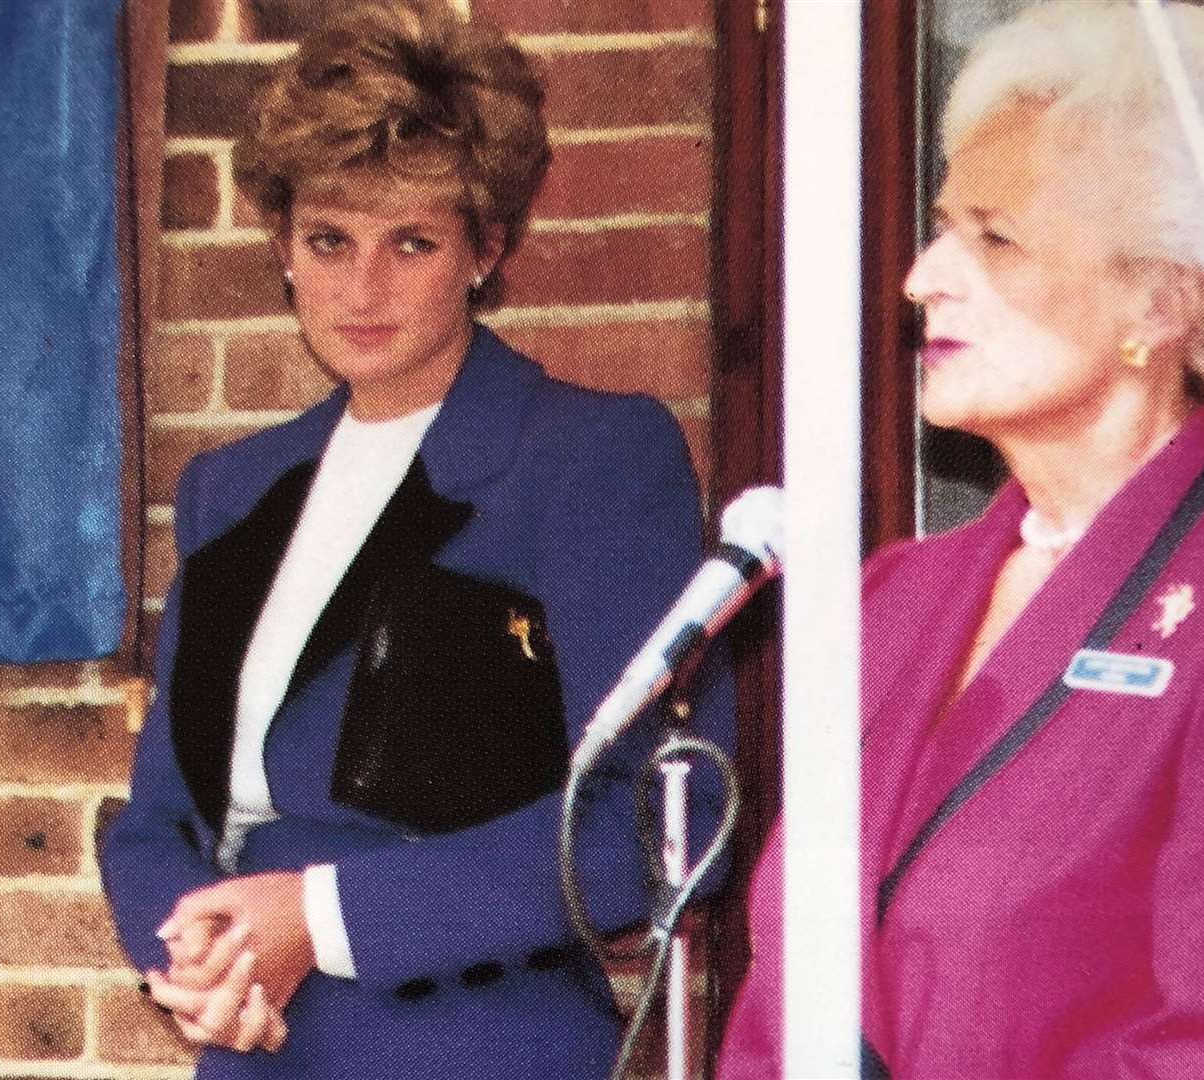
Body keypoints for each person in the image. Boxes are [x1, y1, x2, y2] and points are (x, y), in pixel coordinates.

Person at [720, 3, 1204, 1077]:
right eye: (944, 225)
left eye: (994, 236)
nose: (923, 278)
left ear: (1161, 296)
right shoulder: (892, 596)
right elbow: (782, 1006)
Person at [99, 3, 732, 1076]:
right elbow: (156, 820)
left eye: (413, 242)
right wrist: (196, 958)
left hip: (477, 1043)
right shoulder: (233, 491)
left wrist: (324, 918)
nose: (363, 287)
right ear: (284, 250)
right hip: (258, 1051)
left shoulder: (588, 459)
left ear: (485, 248)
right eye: (329, 240)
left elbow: (668, 823)